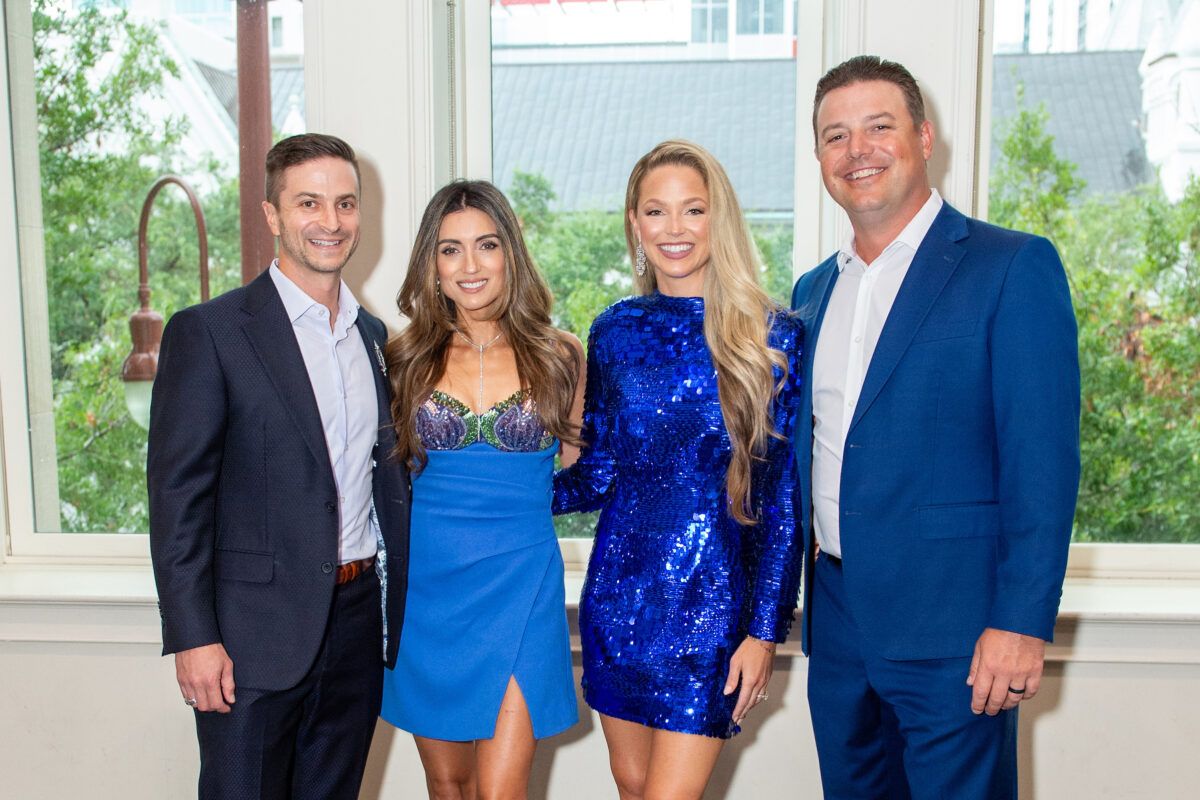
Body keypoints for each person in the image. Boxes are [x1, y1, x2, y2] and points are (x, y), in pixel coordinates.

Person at [791, 55, 1081, 798]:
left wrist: (1022, 622)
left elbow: (1041, 464)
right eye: (835, 135)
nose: (857, 150)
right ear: (819, 156)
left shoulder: (1010, 267)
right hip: (839, 626)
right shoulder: (812, 292)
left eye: (878, 127)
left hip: (960, 631)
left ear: (924, 138)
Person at [147, 133, 410, 800]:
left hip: (356, 625)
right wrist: (193, 637)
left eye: (345, 203)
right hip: (249, 639)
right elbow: (178, 500)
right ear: (272, 214)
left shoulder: (372, 338)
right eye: (308, 203)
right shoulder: (210, 332)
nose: (331, 221)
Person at [554, 139, 804, 799]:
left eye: (693, 209)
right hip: (617, 597)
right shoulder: (613, 330)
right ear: (634, 222)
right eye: (656, 211)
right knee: (632, 784)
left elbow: (781, 504)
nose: (675, 228)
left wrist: (764, 633)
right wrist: (495, 488)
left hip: (711, 604)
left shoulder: (773, 335)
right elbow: (599, 474)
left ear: (719, 218)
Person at [379, 180, 582, 799]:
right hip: (428, 594)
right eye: (451, 249)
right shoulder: (400, 359)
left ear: (510, 253)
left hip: (522, 586)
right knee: (448, 784)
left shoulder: (562, 356)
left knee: (501, 791)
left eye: (487, 245)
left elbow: (581, 469)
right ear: (432, 264)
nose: (470, 265)